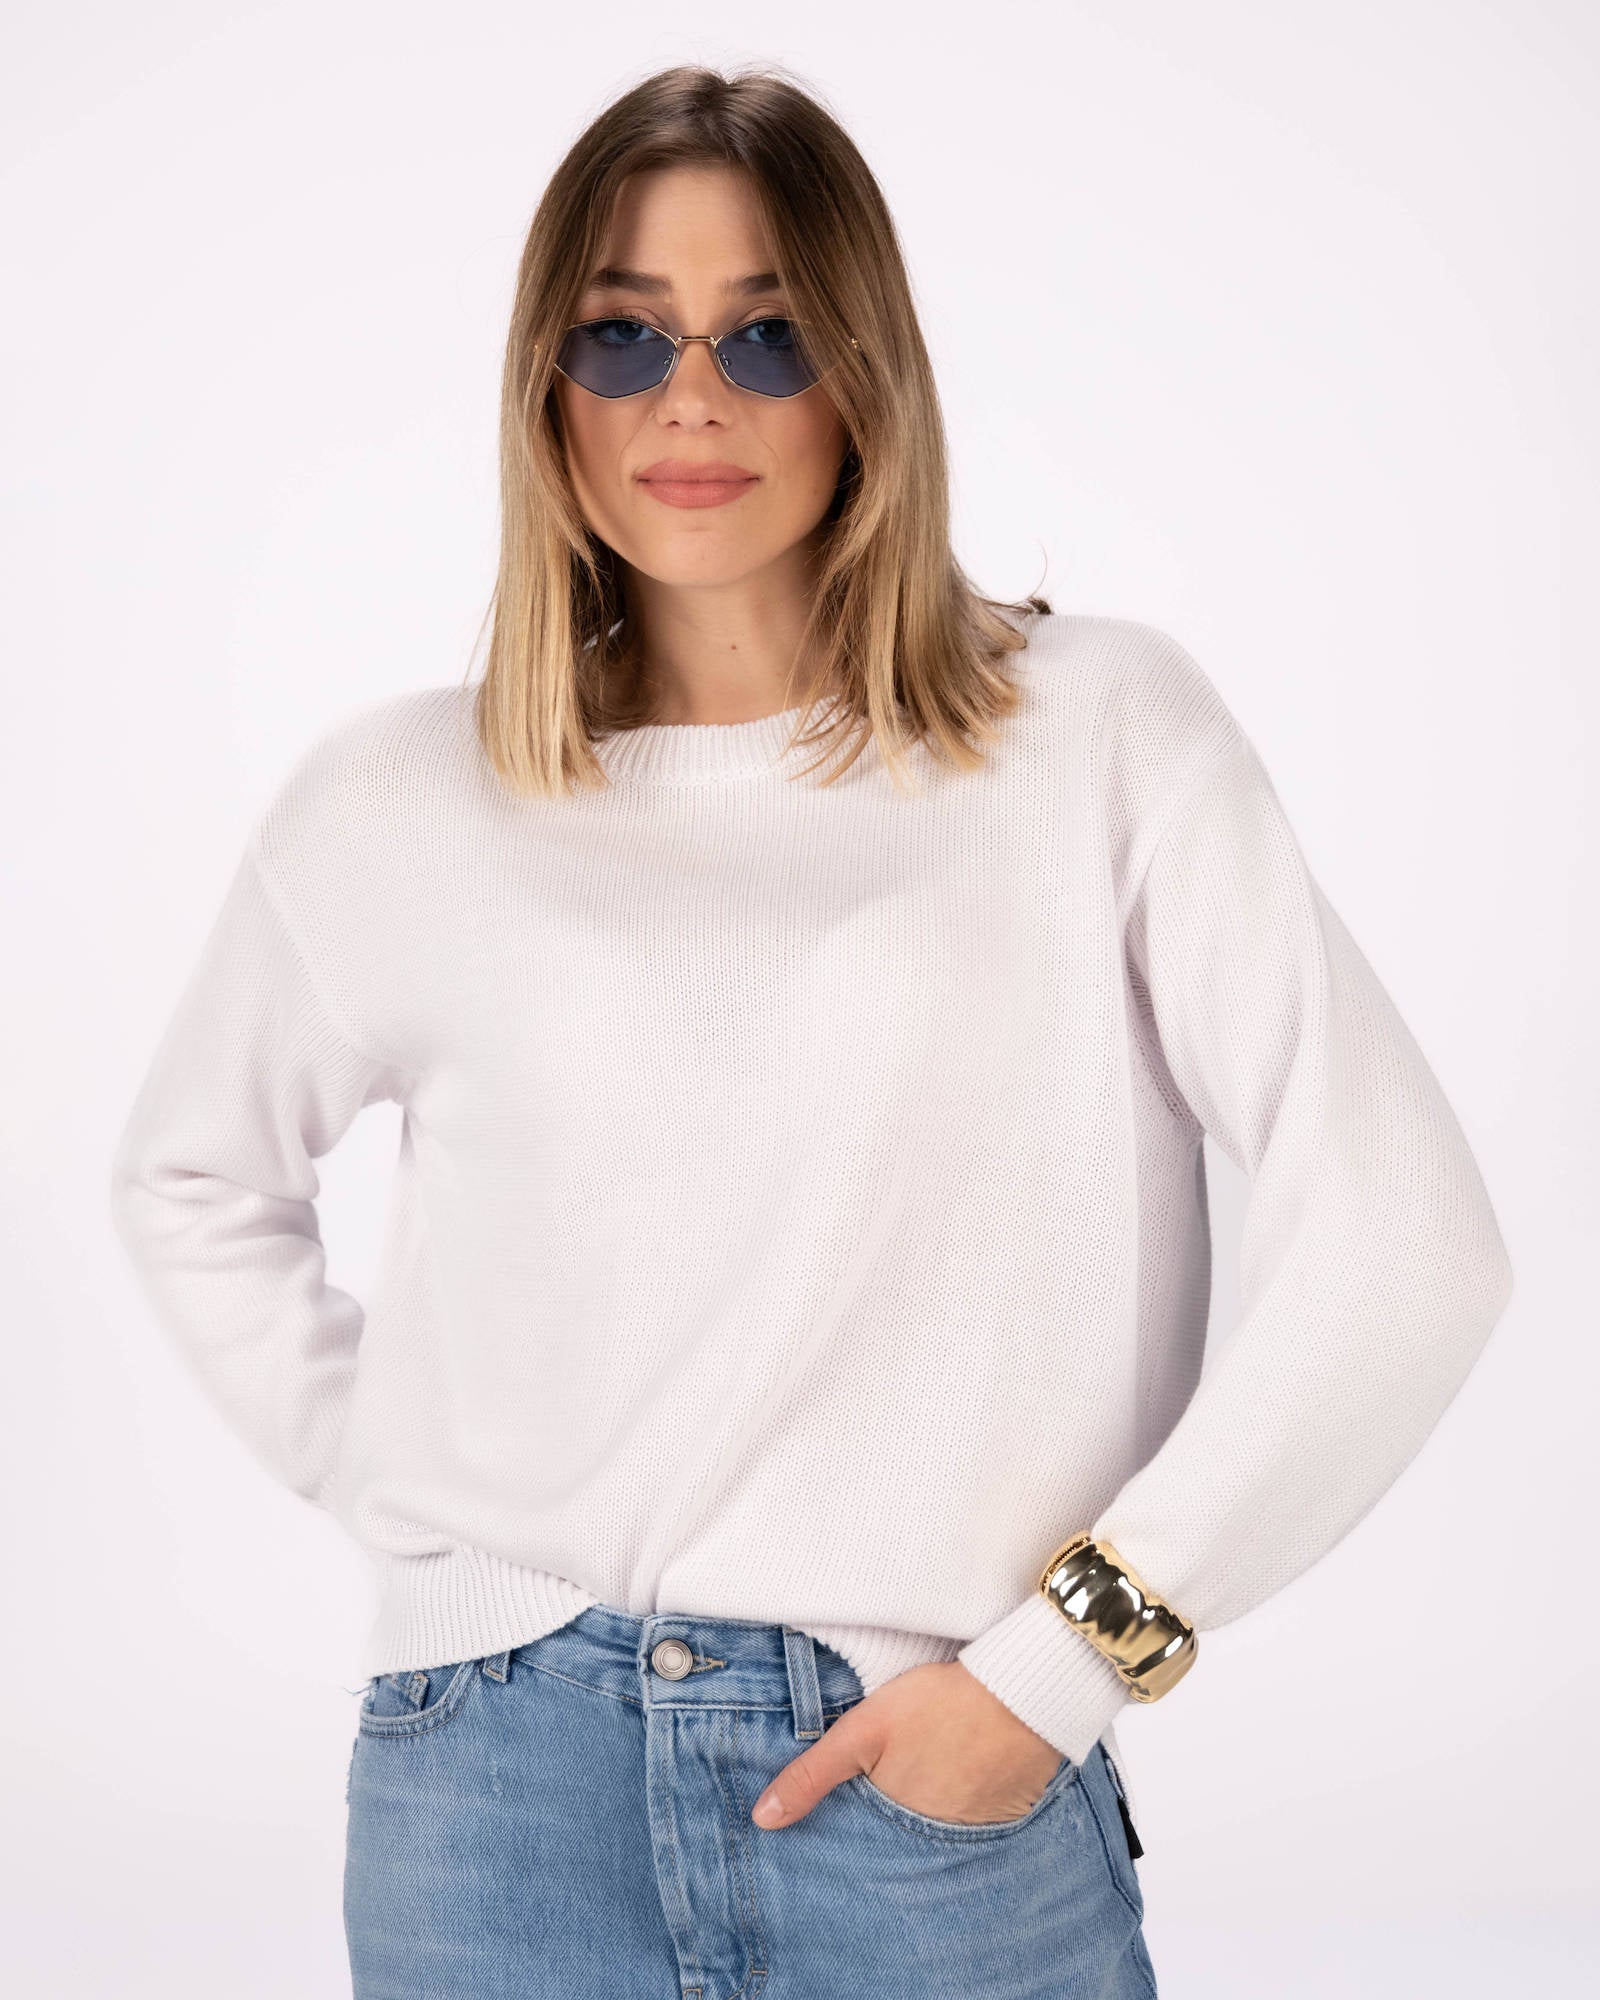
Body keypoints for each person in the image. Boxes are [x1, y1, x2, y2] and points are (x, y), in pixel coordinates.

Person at [108, 63, 1514, 2000]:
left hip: (932, 1785)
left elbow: (1407, 1240)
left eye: (764, 336)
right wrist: (432, 1531)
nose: (689, 398)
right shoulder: (397, 802)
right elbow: (191, 1177)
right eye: (623, 335)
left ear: (865, 377)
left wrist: (1069, 1660)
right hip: (493, 1800)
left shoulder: (1094, 736)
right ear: (544, 386)